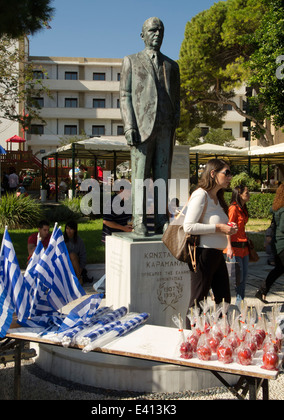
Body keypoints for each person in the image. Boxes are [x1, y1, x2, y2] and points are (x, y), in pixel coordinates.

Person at [120, 17, 180, 236]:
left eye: (160, 31)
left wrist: (175, 120)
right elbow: (125, 95)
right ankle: (139, 221)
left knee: (163, 176)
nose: (157, 34)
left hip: (165, 129)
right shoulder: (131, 61)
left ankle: (162, 219)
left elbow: (177, 97)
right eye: (152, 30)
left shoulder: (172, 65)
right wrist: (129, 126)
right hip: (141, 129)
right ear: (142, 34)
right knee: (139, 178)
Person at [183, 159, 238, 328]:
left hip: (216, 255)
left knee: (224, 300)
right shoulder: (201, 194)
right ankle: (190, 339)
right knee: (198, 301)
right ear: (213, 173)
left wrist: (228, 228)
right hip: (202, 255)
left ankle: (220, 336)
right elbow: (188, 226)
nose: (230, 177)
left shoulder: (218, 198)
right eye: (226, 173)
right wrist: (219, 227)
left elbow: (218, 225)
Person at [255, 184, 284, 303]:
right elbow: (283, 228)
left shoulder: (278, 207)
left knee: (279, 269)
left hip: (277, 243)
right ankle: (262, 291)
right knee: (279, 269)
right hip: (282, 244)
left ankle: (262, 291)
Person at [225, 184, 250, 307]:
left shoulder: (243, 208)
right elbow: (228, 228)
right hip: (234, 248)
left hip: (244, 248)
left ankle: (240, 302)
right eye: (246, 193)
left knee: (243, 277)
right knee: (237, 278)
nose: (249, 195)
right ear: (239, 195)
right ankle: (238, 303)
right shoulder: (233, 209)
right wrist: (228, 246)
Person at [64, 220, 91, 285]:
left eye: (71, 229)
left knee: (72, 255)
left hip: (75, 264)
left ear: (75, 230)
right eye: (67, 228)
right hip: (65, 263)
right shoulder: (61, 240)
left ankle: (78, 277)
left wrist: (80, 269)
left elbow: (83, 256)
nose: (69, 231)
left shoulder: (79, 241)